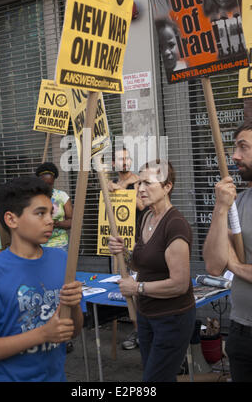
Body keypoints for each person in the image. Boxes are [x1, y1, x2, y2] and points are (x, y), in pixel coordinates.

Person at [0, 176, 84, 382]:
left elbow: (73, 331)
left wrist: (73, 306)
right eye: (40, 213)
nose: (50, 220)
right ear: (12, 219)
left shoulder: (63, 260)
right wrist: (43, 334)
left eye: (51, 213)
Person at [108, 159, 196, 382]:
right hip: (146, 316)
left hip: (171, 319)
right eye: (140, 183)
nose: (141, 189)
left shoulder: (175, 225)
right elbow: (139, 264)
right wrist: (123, 252)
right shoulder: (146, 216)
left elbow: (180, 284)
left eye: (148, 183)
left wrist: (137, 287)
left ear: (167, 187)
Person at [203, 120, 252, 382]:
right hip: (241, 333)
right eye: (234, 148)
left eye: (243, 147)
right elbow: (215, 266)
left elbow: (230, 265)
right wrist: (220, 208)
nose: (235, 156)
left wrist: (237, 267)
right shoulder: (237, 205)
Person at [108, 146, 147, 350]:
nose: (125, 161)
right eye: (121, 159)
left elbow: (142, 206)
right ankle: (137, 329)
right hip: (119, 241)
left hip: (138, 240)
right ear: (114, 163)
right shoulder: (111, 183)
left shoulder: (137, 181)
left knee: (137, 286)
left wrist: (122, 190)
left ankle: (143, 330)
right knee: (123, 288)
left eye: (128, 158)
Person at [35, 162, 73, 252]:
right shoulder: (33, 197)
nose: (47, 187)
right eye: (44, 184)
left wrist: (56, 224)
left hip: (59, 244)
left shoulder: (62, 196)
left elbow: (71, 222)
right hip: (38, 244)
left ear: (54, 181)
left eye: (50, 184)